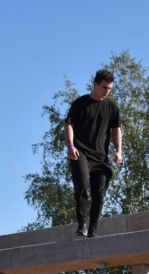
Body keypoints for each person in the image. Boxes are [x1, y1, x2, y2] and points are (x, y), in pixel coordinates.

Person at [65, 69, 123, 238]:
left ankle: (93, 230)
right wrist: (70, 146)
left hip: (100, 157)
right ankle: (82, 223)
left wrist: (119, 150)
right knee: (82, 184)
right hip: (80, 152)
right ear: (95, 84)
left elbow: (116, 129)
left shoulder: (112, 107)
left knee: (99, 193)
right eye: (104, 87)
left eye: (110, 88)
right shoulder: (80, 103)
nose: (107, 91)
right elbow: (69, 125)